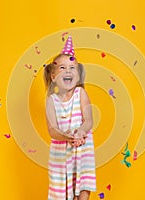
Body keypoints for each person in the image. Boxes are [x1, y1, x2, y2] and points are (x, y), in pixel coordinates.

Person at [44, 35, 96, 200]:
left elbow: (88, 120)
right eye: (62, 68)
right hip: (61, 154)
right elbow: (52, 130)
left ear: (78, 75)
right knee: (62, 193)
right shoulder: (51, 101)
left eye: (72, 68)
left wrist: (80, 131)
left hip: (82, 150)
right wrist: (68, 136)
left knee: (82, 190)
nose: (68, 71)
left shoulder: (81, 94)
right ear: (53, 77)